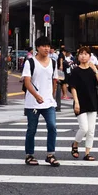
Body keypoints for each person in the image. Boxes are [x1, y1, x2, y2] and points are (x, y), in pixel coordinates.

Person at [22, 36, 60, 167]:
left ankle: (50, 154)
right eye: (44, 46)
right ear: (37, 48)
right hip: (33, 102)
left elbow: (54, 80)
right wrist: (36, 95)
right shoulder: (30, 62)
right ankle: (29, 155)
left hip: (48, 102)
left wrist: (51, 95)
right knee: (32, 129)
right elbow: (27, 82)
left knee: (52, 127)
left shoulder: (53, 62)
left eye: (48, 46)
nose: (47, 48)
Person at [69, 47, 98, 161]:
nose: (83, 56)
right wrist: (76, 102)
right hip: (80, 102)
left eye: (86, 54)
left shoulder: (92, 70)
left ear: (90, 56)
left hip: (92, 102)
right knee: (84, 128)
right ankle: (75, 144)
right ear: (78, 57)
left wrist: (95, 69)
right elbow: (73, 87)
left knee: (91, 130)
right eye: (81, 54)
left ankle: (87, 153)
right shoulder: (75, 71)